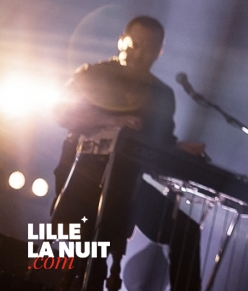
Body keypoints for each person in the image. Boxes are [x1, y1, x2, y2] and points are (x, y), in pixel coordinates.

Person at [51, 16, 204, 291]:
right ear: (122, 41)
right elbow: (61, 111)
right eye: (134, 44)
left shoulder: (161, 94)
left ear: (159, 52)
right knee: (92, 253)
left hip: (128, 187)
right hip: (84, 179)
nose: (139, 53)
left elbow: (160, 145)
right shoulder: (94, 74)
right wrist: (110, 122)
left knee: (186, 231)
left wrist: (178, 150)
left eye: (148, 47)